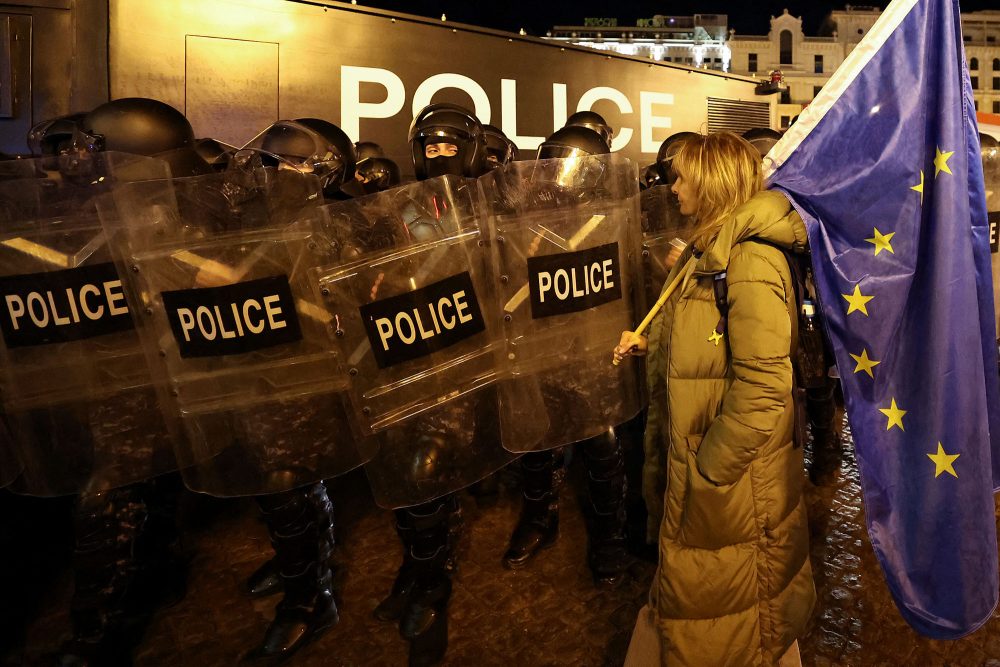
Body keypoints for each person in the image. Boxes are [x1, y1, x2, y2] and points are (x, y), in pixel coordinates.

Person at [616, 131, 815, 665]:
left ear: (711, 182)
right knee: (709, 603)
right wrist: (649, 344)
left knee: (736, 619)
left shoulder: (748, 259)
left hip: (732, 483)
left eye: (682, 177)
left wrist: (709, 469)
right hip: (714, 476)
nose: (674, 187)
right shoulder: (711, 244)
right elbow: (705, 340)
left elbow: (764, 385)